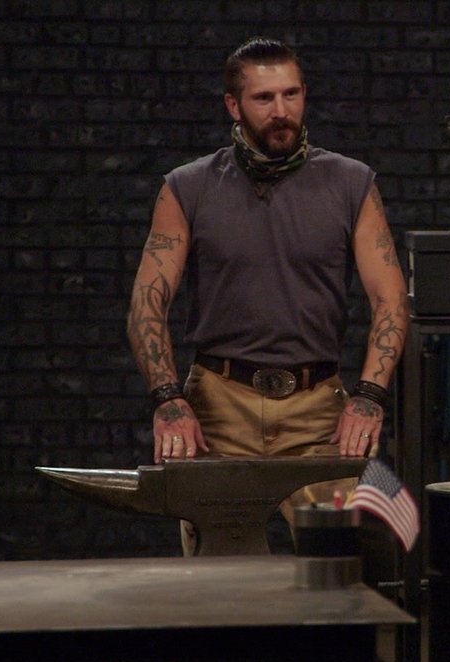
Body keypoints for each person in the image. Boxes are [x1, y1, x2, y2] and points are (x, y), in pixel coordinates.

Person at [126, 37, 409, 554]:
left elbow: (390, 299)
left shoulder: (351, 183)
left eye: (291, 94)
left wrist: (369, 397)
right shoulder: (188, 187)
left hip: (318, 412)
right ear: (233, 105)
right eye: (264, 98)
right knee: (219, 582)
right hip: (219, 409)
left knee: (349, 565)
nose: (281, 111)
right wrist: (168, 400)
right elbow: (147, 302)